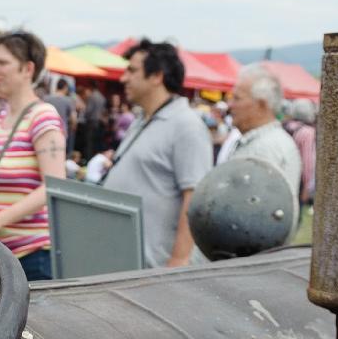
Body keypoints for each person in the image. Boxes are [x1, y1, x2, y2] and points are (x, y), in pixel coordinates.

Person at [102, 40, 213, 268]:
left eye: (132, 71)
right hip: (125, 265)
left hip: (157, 271)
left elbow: (194, 198)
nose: (123, 78)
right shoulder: (141, 121)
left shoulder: (187, 125)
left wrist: (179, 261)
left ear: (156, 76)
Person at [0, 32, 67, 281]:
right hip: (1, 255)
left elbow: (53, 187)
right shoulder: (4, 117)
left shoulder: (43, 117)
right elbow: (16, 176)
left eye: (2, 63)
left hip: (33, 256)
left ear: (27, 69)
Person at [224, 66, 303, 203]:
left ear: (261, 105)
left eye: (237, 98)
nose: (230, 105)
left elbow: (256, 212)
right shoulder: (263, 142)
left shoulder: (270, 147)